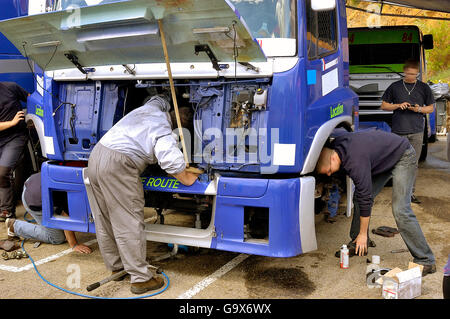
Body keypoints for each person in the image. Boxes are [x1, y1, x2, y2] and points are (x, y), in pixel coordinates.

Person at [87, 95, 198, 294]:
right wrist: (186, 177)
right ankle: (140, 278)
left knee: (104, 218)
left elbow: (156, 98)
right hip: (119, 164)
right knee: (128, 221)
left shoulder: (152, 109)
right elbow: (170, 160)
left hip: (96, 156)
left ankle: (118, 266)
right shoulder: (164, 130)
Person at [315, 130, 436, 276]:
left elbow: (366, 197)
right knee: (358, 198)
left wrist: (363, 234)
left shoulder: (355, 161)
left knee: (400, 209)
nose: (329, 174)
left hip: (403, 155)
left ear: (333, 159)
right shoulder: (337, 147)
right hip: (385, 158)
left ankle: (426, 259)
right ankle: (358, 243)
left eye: (328, 171)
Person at [381, 59, 435, 204]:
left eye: (415, 74)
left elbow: (431, 108)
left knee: (413, 163)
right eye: (410, 74)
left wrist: (418, 109)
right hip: (398, 131)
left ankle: (410, 193)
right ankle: (398, 193)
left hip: (417, 131)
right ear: (405, 72)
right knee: (396, 162)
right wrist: (399, 105)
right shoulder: (395, 87)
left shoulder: (424, 88)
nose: (412, 77)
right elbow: (384, 106)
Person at [4, 172, 92, 254]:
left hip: (32, 181)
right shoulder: (70, 194)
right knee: (57, 238)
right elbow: (66, 218)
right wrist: (74, 244)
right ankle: (15, 226)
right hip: (34, 201)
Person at [0, 82, 30, 222]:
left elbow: (32, 99)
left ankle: (6, 210)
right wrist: (11, 122)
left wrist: (35, 118)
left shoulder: (11, 87)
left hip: (16, 137)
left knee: (3, 172)